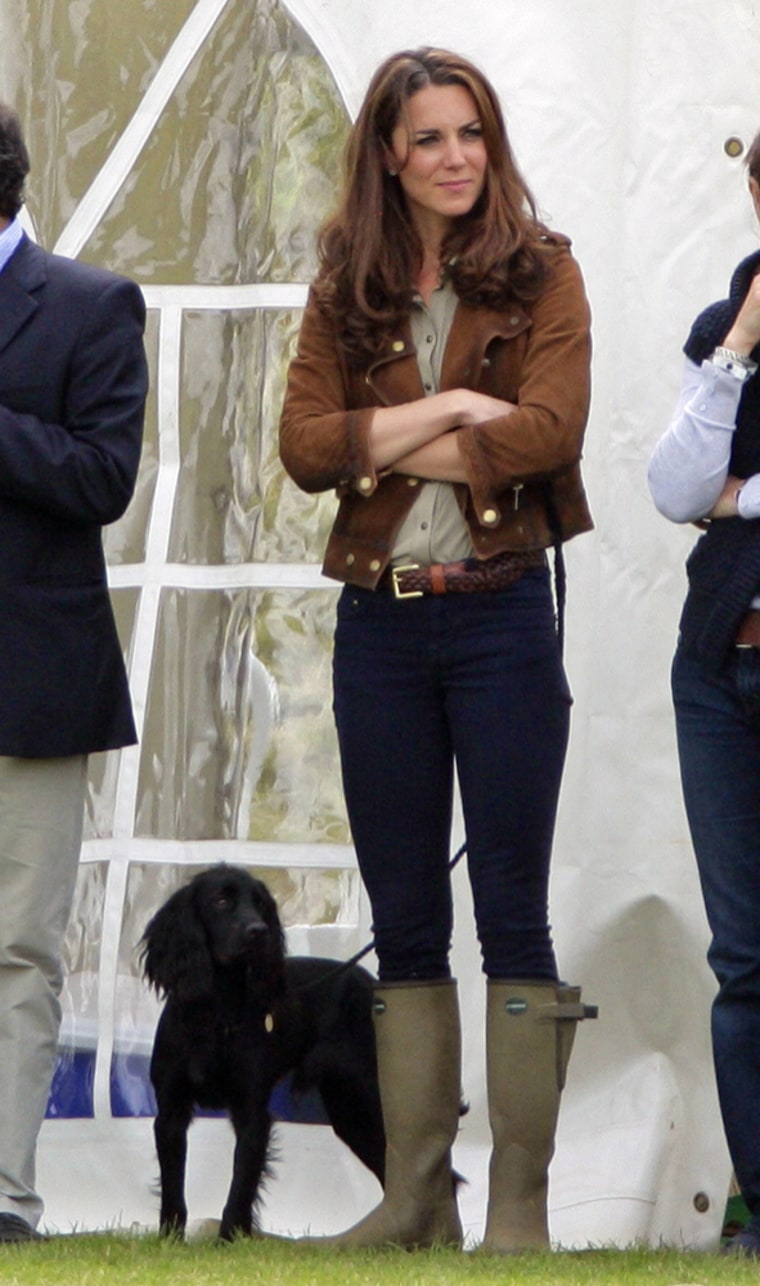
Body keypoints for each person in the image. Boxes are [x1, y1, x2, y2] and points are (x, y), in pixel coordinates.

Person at [280, 48, 596, 1252]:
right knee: (405, 913)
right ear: (388, 156)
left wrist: (390, 435)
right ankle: (418, 1199)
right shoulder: (344, 286)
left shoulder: (543, 273)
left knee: (510, 905)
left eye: (470, 133)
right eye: (430, 139)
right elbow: (303, 446)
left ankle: (519, 1206)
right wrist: (458, 412)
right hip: (382, 622)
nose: (456, 156)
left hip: (503, 615)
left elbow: (549, 435)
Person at [0, 103, 147, 1242]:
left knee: (15, 948)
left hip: (30, 685)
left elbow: (103, 477)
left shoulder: (94, 305)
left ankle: (1, 1195)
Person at [648, 131, 760, 1259]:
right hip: (719, 669)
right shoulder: (721, 328)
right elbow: (673, 485)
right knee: (744, 959)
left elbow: (718, 496)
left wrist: (743, 496)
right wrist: (735, 346)